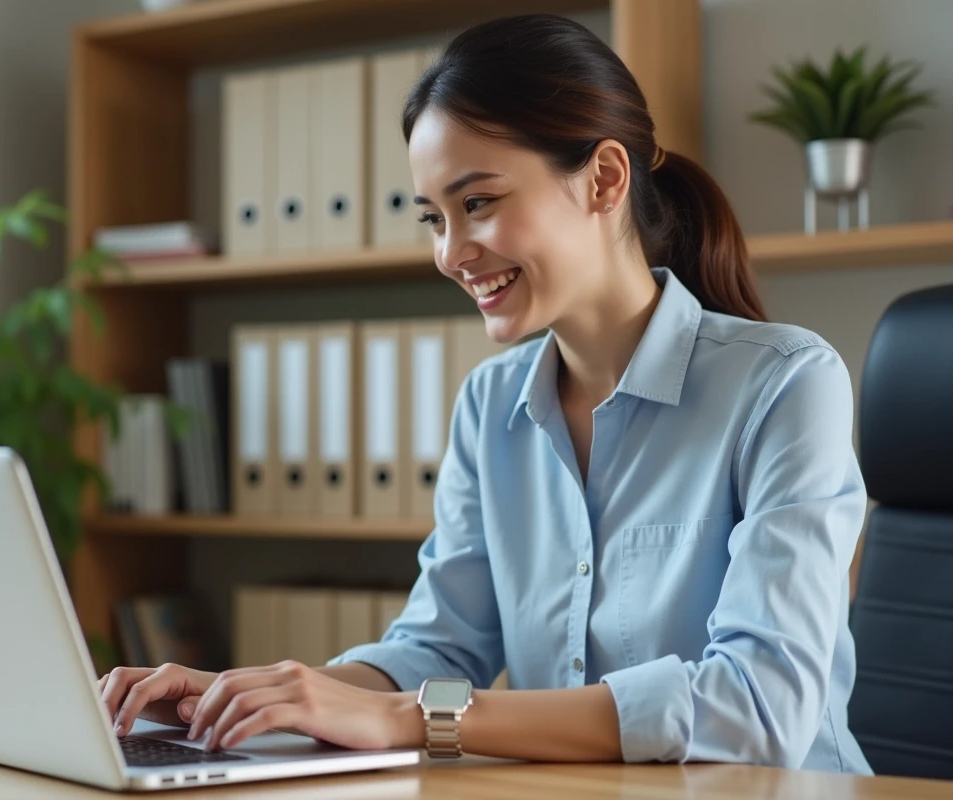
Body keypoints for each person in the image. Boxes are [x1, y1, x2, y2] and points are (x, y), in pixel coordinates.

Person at [98, 14, 871, 774]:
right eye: (434, 217)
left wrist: (410, 718)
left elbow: (757, 711)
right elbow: (438, 645)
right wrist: (243, 696)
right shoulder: (489, 403)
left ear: (603, 179)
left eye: (479, 203)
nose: (450, 253)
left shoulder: (786, 385)